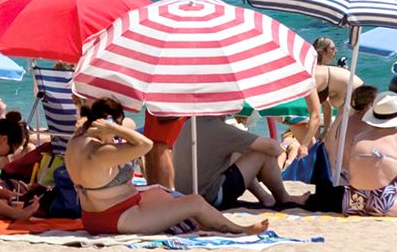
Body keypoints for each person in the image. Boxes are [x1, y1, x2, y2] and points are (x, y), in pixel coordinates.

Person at [66, 98, 271, 235]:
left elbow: (128, 124)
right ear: (106, 125)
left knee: (161, 193)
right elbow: (145, 145)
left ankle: (197, 220)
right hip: (117, 219)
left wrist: (105, 126)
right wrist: (114, 129)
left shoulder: (79, 140)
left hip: (95, 214)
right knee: (195, 202)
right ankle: (240, 230)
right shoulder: (102, 153)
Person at [169, 114, 299, 208]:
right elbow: (271, 147)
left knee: (236, 154)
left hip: (185, 195)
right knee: (263, 154)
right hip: (210, 197)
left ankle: (264, 197)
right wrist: (282, 154)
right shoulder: (217, 128)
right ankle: (283, 197)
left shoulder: (189, 123)